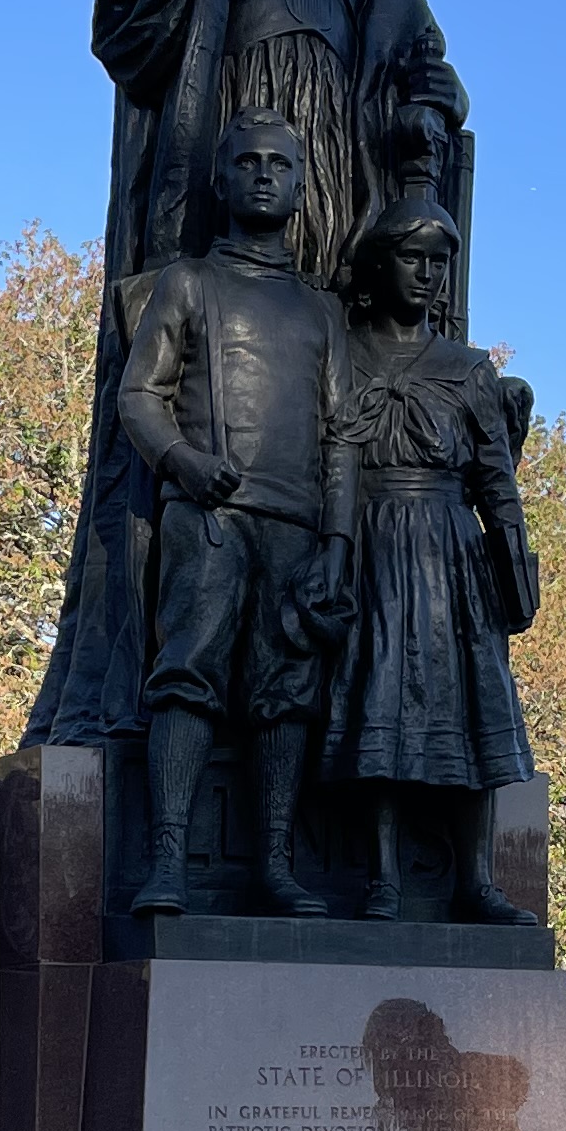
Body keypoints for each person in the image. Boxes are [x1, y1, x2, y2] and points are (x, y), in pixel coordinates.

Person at [25, 0, 470, 750]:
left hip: (333, 210)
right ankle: (177, 675)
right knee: (208, 404)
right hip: (225, 187)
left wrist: (420, 115)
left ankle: (335, 708)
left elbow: (429, 71)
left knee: (330, 427)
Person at [114, 112, 361, 915]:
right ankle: (168, 860)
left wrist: (335, 541)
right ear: (222, 180)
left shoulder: (322, 311)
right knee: (186, 678)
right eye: (247, 162)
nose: (262, 175)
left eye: (279, 165)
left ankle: (278, 865)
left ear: (297, 187)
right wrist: (182, 461)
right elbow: (140, 394)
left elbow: (342, 436)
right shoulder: (187, 284)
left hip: (294, 530)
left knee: (284, 697)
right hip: (210, 519)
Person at [323, 190, 538, 920]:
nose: (426, 275)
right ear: (379, 265)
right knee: (379, 693)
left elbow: (494, 476)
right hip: (370, 539)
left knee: (474, 701)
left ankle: (475, 880)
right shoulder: (340, 352)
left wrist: (513, 561)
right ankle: (382, 876)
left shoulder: (469, 368)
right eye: (412, 259)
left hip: (451, 549)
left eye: (440, 263)